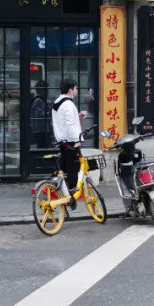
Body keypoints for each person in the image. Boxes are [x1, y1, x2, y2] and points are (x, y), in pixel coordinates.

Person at [51, 78, 86, 209]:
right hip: (71, 141)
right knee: (73, 168)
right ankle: (71, 195)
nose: (76, 91)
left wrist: (77, 117)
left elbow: (63, 121)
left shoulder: (57, 102)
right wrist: (76, 141)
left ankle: (60, 189)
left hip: (62, 139)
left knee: (64, 167)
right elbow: (70, 125)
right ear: (71, 90)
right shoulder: (68, 104)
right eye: (76, 88)